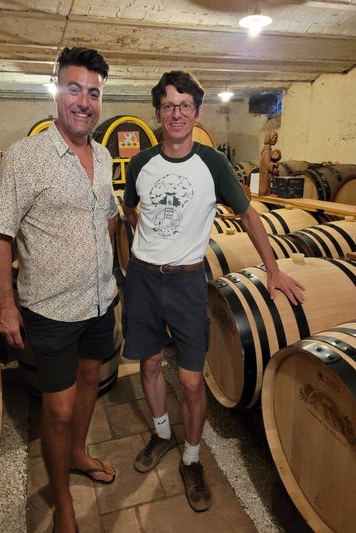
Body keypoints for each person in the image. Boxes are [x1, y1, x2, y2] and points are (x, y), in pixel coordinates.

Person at [122, 71, 305, 513]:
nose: (177, 113)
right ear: (158, 113)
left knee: (189, 379)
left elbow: (250, 217)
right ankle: (163, 433)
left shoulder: (213, 164)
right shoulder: (140, 163)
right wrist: (145, 246)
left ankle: (191, 456)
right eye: (168, 106)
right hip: (144, 278)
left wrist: (274, 269)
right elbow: (129, 210)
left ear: (197, 112)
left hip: (186, 282)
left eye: (185, 105)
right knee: (148, 362)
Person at [0, 47, 118, 533]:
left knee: (90, 384)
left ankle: (80, 454)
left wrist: (106, 269)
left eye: (93, 92)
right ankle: (62, 502)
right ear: (58, 91)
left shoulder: (103, 156)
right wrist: (6, 306)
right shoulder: (26, 156)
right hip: (52, 310)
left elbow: (106, 217)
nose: (83, 101)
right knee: (58, 411)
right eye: (74, 89)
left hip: (100, 301)